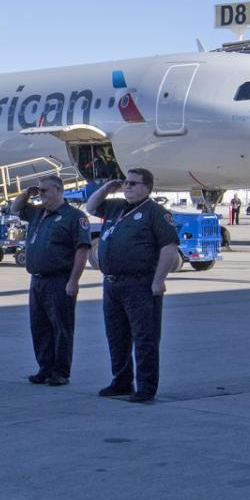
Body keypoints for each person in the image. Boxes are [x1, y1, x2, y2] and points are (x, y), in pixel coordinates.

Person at [85, 169, 180, 403]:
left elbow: (168, 248)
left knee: (145, 336)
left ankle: (146, 387)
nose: (127, 187)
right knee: (116, 336)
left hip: (140, 283)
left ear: (147, 187)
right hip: (113, 283)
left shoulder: (155, 213)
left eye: (133, 184)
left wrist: (159, 280)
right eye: (126, 183)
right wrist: (106, 189)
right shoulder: (115, 207)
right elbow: (90, 207)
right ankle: (121, 381)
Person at [10, 176, 91, 386]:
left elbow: (81, 251)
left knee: (61, 327)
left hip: (59, 279)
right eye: (40, 191)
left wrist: (74, 281)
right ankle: (44, 368)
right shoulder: (38, 212)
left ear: (58, 190)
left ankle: (61, 371)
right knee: (40, 326)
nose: (42, 194)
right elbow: (15, 208)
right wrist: (27, 193)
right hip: (37, 280)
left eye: (45, 191)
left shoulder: (74, 217)